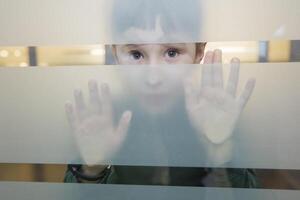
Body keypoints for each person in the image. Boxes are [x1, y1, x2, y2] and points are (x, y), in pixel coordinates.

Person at [64, 0, 259, 188]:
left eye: (172, 53)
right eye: (136, 55)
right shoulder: (104, 118)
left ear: (199, 52)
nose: (153, 78)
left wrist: (219, 148)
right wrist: (91, 169)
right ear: (115, 53)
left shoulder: (215, 113)